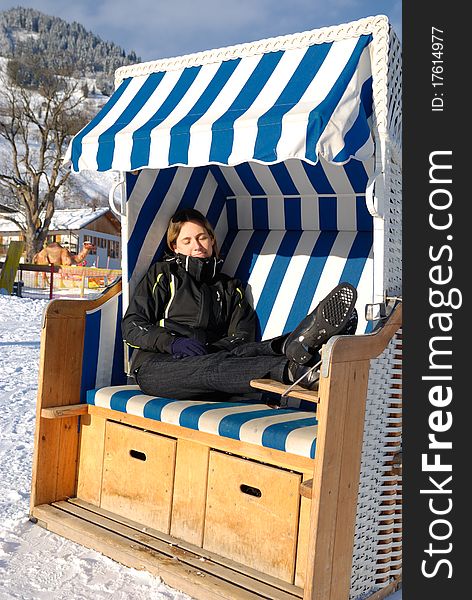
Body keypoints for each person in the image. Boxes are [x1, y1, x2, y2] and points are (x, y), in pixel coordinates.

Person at [122, 208, 358, 402]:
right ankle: (293, 369)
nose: (197, 245)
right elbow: (132, 325)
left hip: (216, 362)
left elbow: (243, 336)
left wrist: (214, 348)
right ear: (175, 247)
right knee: (212, 367)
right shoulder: (163, 275)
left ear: (212, 240)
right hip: (159, 366)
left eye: (202, 237)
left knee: (234, 355)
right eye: (187, 240)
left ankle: (290, 343)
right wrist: (172, 343)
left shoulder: (230, 287)